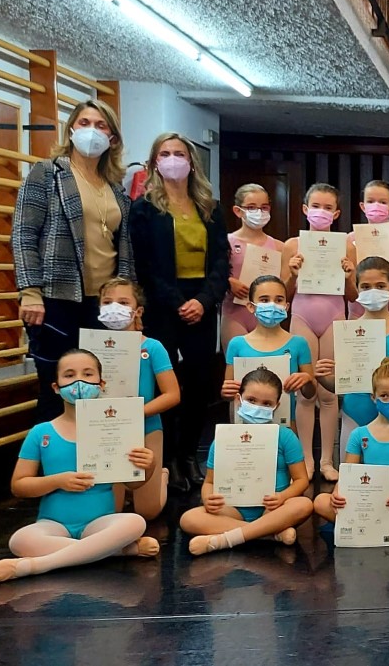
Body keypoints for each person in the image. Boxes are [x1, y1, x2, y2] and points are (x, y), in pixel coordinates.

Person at [0, 348, 158, 582]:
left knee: (134, 522)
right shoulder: (41, 432)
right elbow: (19, 486)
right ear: (56, 387)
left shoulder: (118, 428)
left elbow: (133, 484)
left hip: (100, 523)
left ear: (101, 384)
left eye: (88, 374)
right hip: (53, 524)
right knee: (19, 540)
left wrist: (148, 465)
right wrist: (58, 481)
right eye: (69, 375)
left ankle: (38, 565)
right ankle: (115, 551)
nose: (79, 381)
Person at [13, 98, 132, 421]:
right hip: (56, 297)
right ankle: (51, 451)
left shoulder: (115, 188)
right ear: (71, 130)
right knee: (58, 387)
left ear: (112, 138)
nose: (92, 131)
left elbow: (123, 246)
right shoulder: (47, 173)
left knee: (100, 387)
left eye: (101, 125)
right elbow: (24, 234)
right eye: (84, 123)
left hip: (103, 304)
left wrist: (128, 299)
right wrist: (30, 291)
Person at [129, 133, 229, 493]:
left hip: (202, 302)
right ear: (155, 162)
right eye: (165, 153)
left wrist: (203, 300)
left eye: (179, 153)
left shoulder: (210, 207)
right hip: (163, 305)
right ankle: (168, 457)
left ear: (191, 162)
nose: (173, 159)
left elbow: (221, 260)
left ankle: (189, 455)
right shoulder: (143, 209)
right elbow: (145, 265)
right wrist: (176, 302)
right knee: (166, 381)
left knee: (200, 383)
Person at [180, 368, 314, 554]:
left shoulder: (285, 436)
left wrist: (282, 497)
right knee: (188, 519)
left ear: (276, 405)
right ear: (238, 399)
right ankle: (268, 533)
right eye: (251, 400)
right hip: (232, 511)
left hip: (273, 509)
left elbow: (301, 480)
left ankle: (224, 540)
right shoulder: (224, 438)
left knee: (304, 505)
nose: (258, 407)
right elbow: (209, 481)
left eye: (266, 403)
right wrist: (207, 498)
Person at [316, 258, 389, 457]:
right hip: (354, 414)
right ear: (357, 288)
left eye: (380, 286)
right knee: (351, 473)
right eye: (366, 287)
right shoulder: (348, 331)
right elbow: (343, 384)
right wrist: (322, 378)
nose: (373, 291)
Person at [313, 359, 389, 542]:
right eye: (384, 396)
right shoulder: (359, 434)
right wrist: (337, 493)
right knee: (320, 502)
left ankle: (364, 530)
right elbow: (348, 475)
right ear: (373, 397)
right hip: (366, 503)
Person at [281, 182, 351, 482]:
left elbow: (353, 295)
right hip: (302, 317)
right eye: (316, 206)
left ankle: (326, 460)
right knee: (305, 391)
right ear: (305, 209)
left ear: (336, 213)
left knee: (329, 392)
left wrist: (349, 275)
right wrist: (292, 273)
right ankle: (306, 459)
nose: (321, 212)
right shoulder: (292, 245)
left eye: (328, 207)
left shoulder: (346, 245)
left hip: (334, 317)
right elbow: (282, 294)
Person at [98, 277, 179, 520]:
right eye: (107, 302)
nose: (114, 307)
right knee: (110, 511)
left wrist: (135, 413)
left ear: (138, 311)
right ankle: (123, 489)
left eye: (123, 302)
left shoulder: (152, 347)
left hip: (146, 428)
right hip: (106, 429)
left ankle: (160, 475)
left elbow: (172, 394)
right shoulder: (91, 348)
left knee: (147, 512)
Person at [221, 275, 316, 437]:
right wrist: (225, 392)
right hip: (245, 431)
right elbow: (230, 394)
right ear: (251, 306)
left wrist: (307, 380)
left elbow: (309, 393)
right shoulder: (237, 344)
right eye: (264, 300)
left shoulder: (298, 344)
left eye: (278, 300)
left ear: (286, 306)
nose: (272, 305)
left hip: (285, 429)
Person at [221, 183, 282, 351]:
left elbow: (284, 285)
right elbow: (212, 274)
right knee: (237, 362)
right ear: (238, 211)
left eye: (264, 207)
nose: (259, 212)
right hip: (234, 314)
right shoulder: (226, 243)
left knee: (268, 362)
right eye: (252, 207)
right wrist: (228, 281)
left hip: (267, 316)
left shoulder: (279, 246)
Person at [347, 179, 389, 317]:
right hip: (360, 311)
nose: (376, 206)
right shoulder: (348, 240)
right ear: (363, 206)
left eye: (383, 202)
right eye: (370, 201)